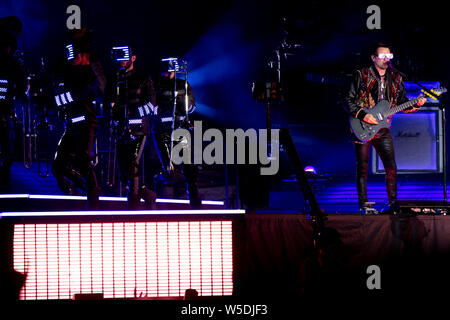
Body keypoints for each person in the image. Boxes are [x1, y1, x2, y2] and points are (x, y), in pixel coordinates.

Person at [344, 42, 426, 214]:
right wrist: (363, 114)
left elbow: (403, 103)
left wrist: (416, 104)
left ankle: (393, 203)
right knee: (362, 167)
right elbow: (348, 100)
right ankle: (363, 204)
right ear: (373, 58)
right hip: (362, 125)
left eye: (389, 56)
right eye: (382, 56)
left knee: (391, 166)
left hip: (382, 128)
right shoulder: (361, 75)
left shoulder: (396, 78)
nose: (385, 59)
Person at [51, 28, 106, 209]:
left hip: (86, 124)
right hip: (71, 124)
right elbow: (57, 97)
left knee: (82, 161)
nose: (73, 56)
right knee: (58, 167)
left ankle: (92, 196)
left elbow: (77, 95)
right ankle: (84, 190)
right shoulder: (66, 72)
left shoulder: (91, 74)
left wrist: (64, 97)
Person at [105, 45, 157, 209]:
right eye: (119, 58)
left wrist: (133, 113)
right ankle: (145, 193)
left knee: (133, 163)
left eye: (126, 57)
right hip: (120, 129)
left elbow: (151, 105)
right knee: (124, 166)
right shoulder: (113, 79)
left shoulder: (143, 77)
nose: (122, 61)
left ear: (133, 58)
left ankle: (133, 202)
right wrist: (113, 114)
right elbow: (107, 104)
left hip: (139, 129)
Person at [152, 66, 202, 208]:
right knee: (168, 165)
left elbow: (192, 105)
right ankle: (168, 185)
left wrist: (184, 105)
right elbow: (152, 105)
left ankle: (193, 196)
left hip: (181, 128)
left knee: (188, 164)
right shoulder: (156, 84)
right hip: (161, 129)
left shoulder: (183, 83)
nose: (167, 72)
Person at [0, 16, 25, 187]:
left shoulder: (12, 64)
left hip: (5, 109)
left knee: (7, 147)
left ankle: (5, 179)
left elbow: (19, 85)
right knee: (7, 147)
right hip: (4, 109)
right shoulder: (11, 64)